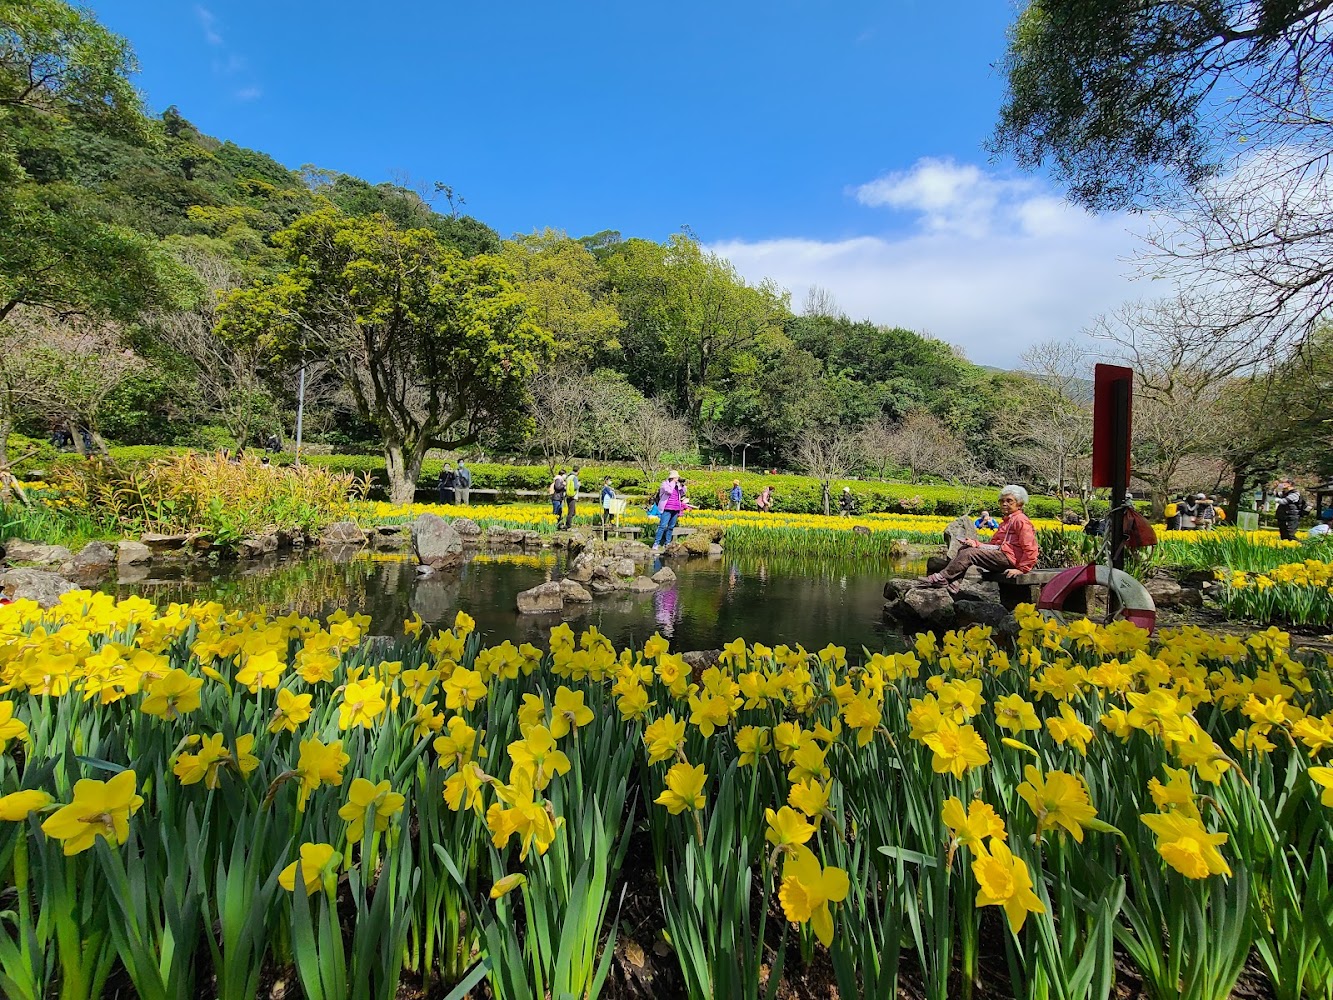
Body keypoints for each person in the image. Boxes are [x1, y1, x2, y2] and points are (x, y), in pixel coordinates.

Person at [922, 485, 1039, 592]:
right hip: (1003, 555)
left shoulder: (1020, 520)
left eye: (1009, 501)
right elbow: (995, 545)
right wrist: (975, 543)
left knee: (970, 554)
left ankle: (941, 577)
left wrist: (1022, 569)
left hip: (1011, 559)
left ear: (1020, 504)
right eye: (1002, 501)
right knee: (965, 548)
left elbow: (1031, 547)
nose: (1004, 504)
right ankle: (954, 583)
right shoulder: (1007, 521)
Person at [653, 470, 685, 550]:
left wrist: (682, 485)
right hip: (667, 507)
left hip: (676, 508)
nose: (678, 478)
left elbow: (683, 493)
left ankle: (667, 543)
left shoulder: (677, 485)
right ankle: (656, 543)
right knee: (662, 526)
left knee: (671, 527)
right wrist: (673, 483)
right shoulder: (665, 484)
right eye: (677, 477)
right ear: (673, 477)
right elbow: (668, 491)